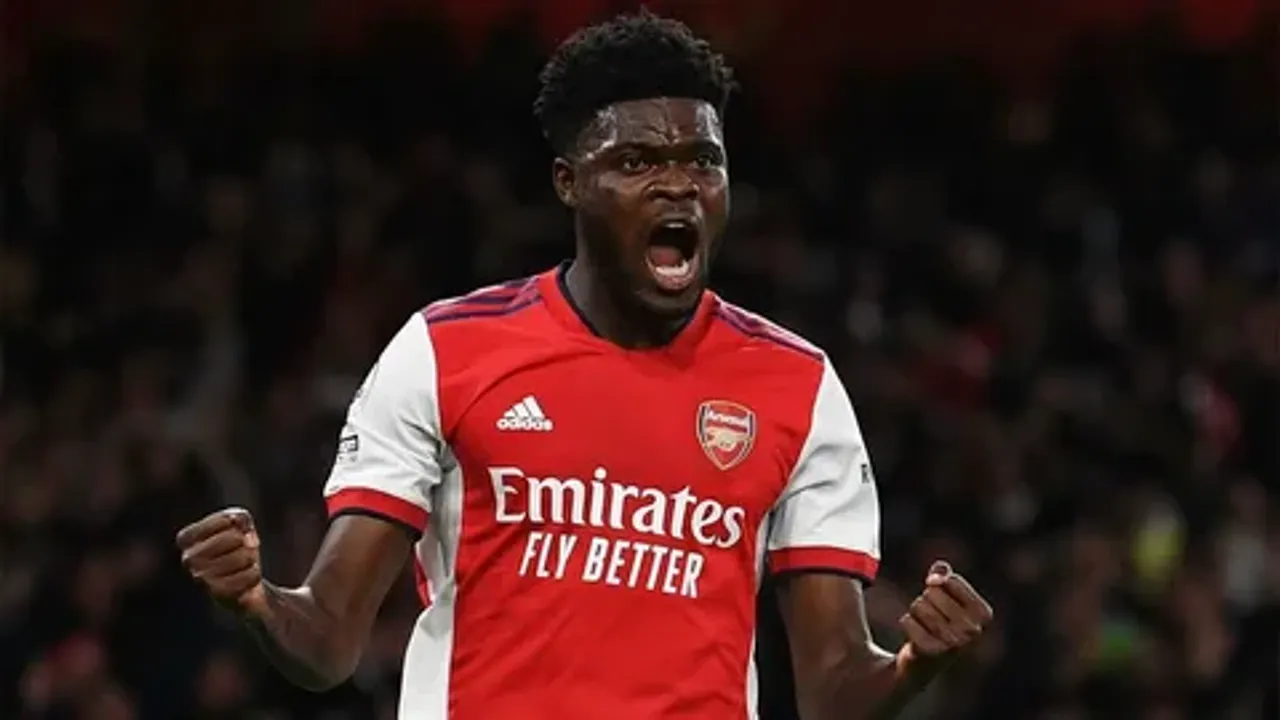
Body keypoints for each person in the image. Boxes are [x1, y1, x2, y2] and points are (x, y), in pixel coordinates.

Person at [175, 10, 993, 719]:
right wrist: (257, 600)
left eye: (702, 160)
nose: (678, 186)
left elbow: (834, 691)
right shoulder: (447, 351)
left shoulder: (798, 387)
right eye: (636, 163)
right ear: (569, 182)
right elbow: (326, 641)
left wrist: (913, 665)